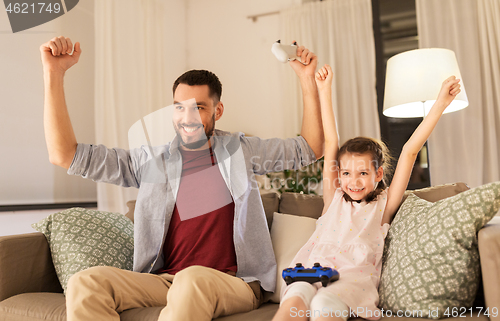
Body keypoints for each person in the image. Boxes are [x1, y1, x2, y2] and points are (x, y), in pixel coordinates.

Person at [39, 36, 324, 321]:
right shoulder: (151, 161)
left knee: (191, 279)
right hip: (166, 280)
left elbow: (310, 148)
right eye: (179, 107)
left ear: (217, 111)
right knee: (86, 282)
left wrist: (306, 78)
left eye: (198, 107)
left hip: (234, 282)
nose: (186, 117)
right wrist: (54, 73)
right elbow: (64, 154)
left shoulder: (242, 151)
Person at [272, 64, 461, 321]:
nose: (354, 181)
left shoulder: (383, 206)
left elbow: (409, 151)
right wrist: (323, 90)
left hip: (352, 278)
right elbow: (331, 141)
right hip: (311, 270)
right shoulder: (334, 197)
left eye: (363, 173)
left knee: (324, 305)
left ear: (378, 175)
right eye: (347, 173)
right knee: (293, 301)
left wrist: (440, 103)